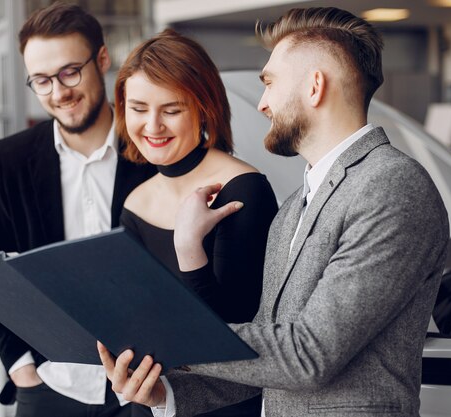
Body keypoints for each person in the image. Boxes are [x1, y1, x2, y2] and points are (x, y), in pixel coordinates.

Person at [98, 7, 450, 417]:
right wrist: (164, 393)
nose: (263, 103)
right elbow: (265, 358)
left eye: (269, 83)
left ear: (314, 86)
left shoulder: (392, 187)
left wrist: (172, 337)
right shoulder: (293, 209)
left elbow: (308, 355)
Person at [0, 3, 155, 417]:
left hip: (145, 384)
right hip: (50, 386)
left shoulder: (153, 150)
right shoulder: (10, 158)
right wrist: (22, 369)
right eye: (41, 80)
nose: (59, 92)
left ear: (101, 59)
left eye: (69, 72)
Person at [113, 29, 278, 417]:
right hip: (153, 402)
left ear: (204, 108)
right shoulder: (136, 201)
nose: (152, 126)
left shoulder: (245, 189)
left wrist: (189, 247)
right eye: (138, 108)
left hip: (223, 405)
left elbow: (234, 340)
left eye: (171, 110)